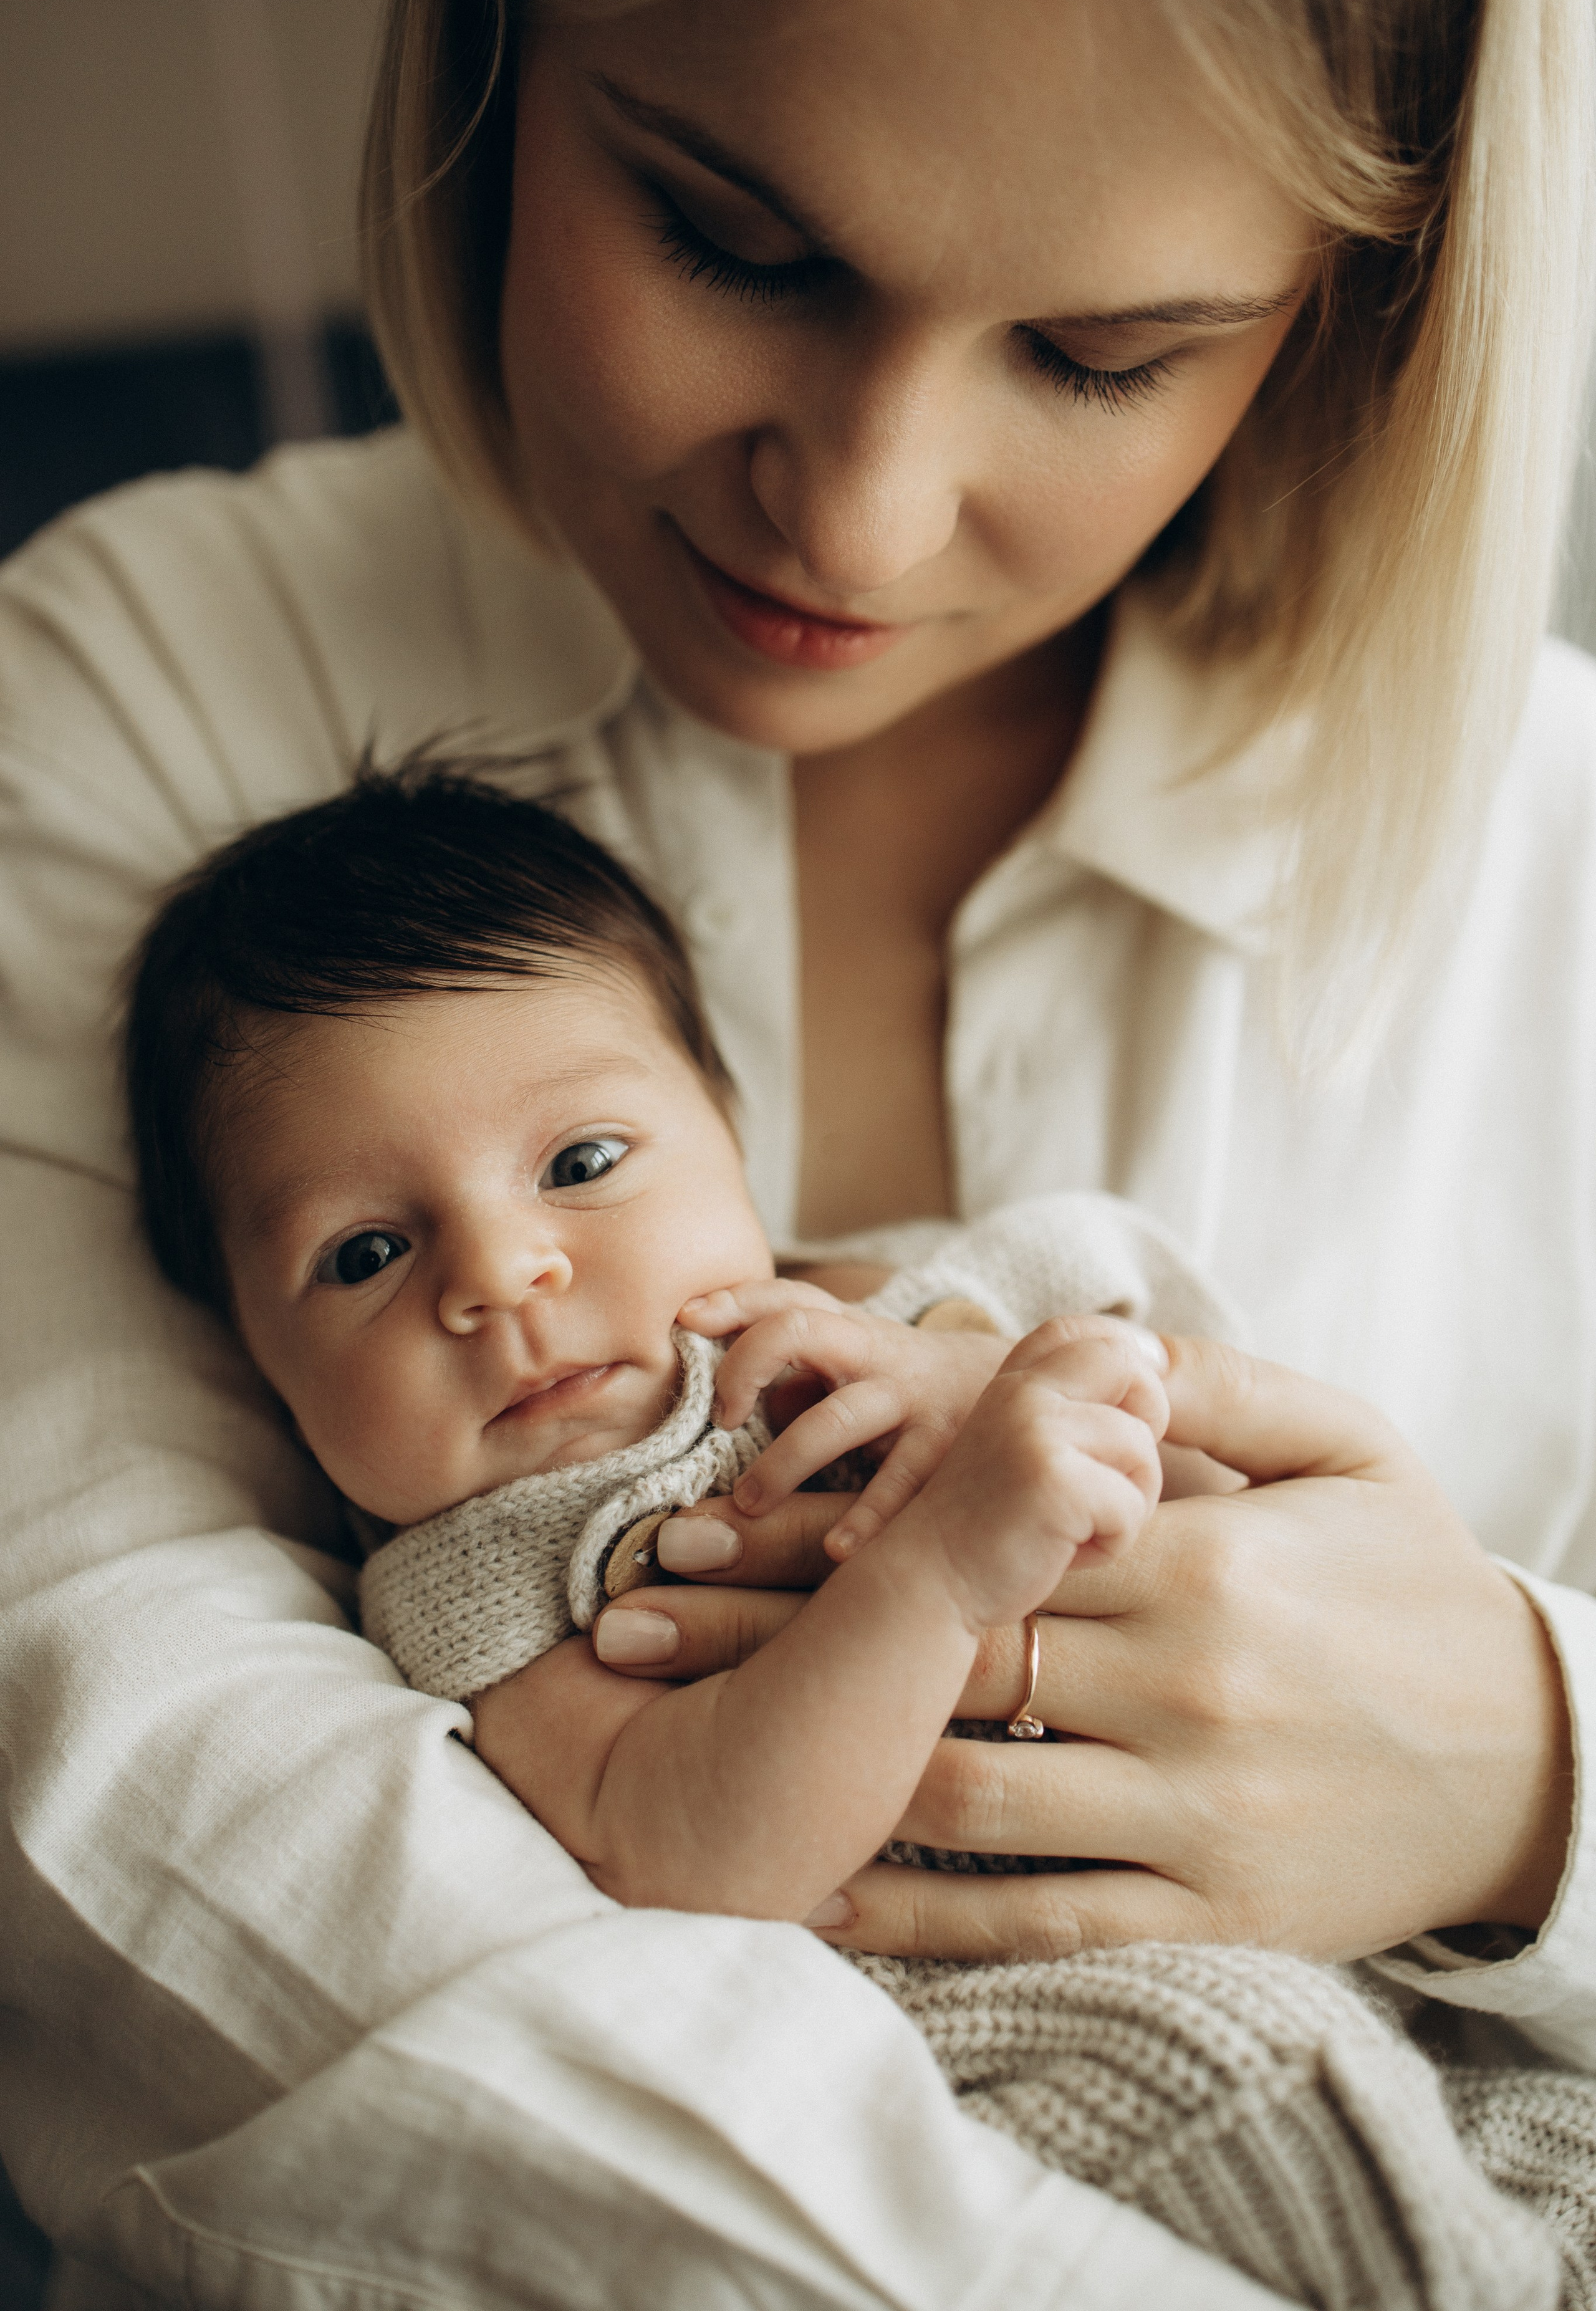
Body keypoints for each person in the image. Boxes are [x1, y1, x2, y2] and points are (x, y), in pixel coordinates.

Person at [1, 0, 1593, 2305]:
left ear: (1354, 298)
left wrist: (1534, 1768)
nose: (854, 519)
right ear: (495, 33)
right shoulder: (149, 685)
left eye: (1095, 354)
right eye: (733, 240)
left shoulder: (1543, 863)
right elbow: (152, 1813)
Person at [119, 765, 1595, 2311]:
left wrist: (995, 1385)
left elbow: (1256, 1528)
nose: (501, 1271)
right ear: (255, 1364)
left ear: (729, 1131)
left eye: (579, 1163)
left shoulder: (916, 1312)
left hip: (1367, 1935)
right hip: (1047, 2035)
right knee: (1304, 2128)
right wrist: (934, 1571)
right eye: (365, 1251)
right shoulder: (484, 1585)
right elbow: (686, 1854)